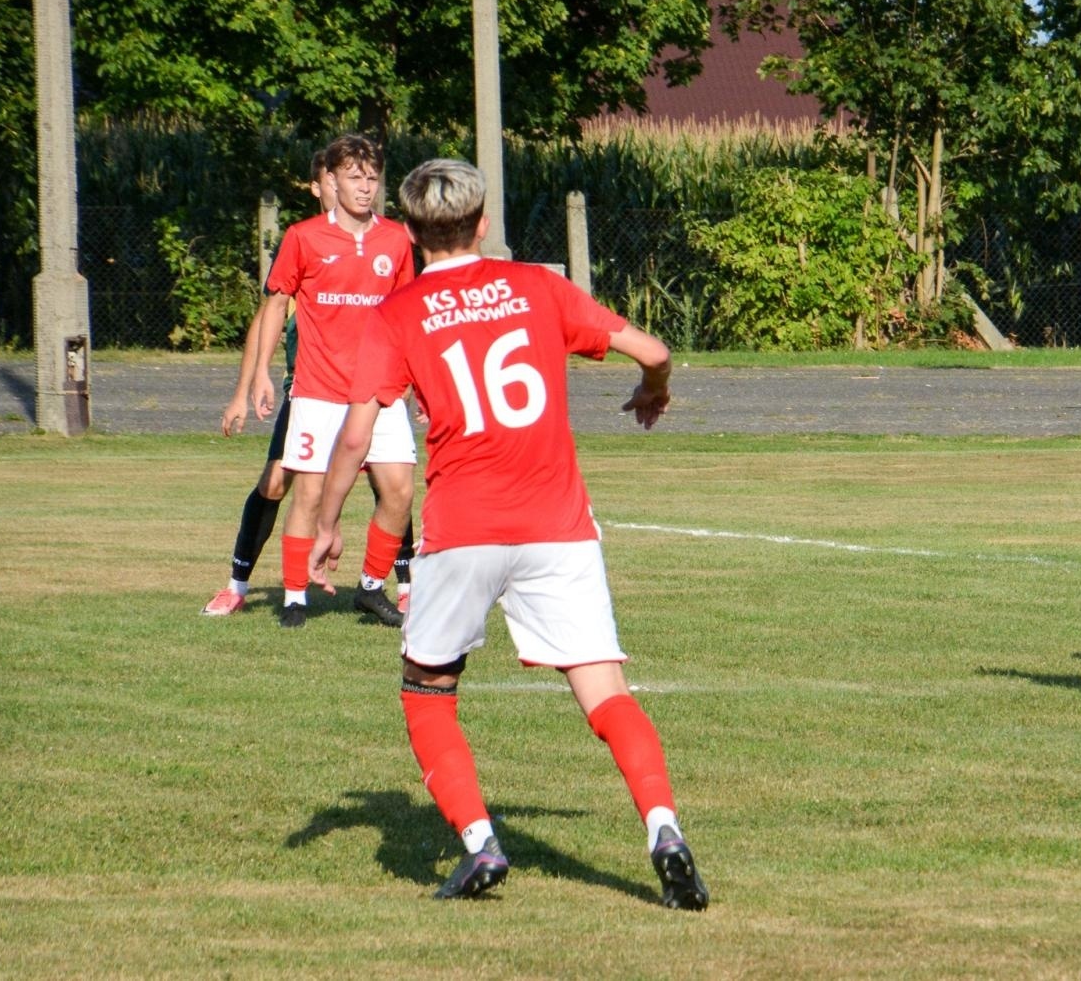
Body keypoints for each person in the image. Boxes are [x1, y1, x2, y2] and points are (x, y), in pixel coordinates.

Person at [307, 157, 708, 907]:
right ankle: (663, 829)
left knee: (428, 690)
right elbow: (654, 352)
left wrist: (327, 524)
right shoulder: (535, 285)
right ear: (482, 223)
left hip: (464, 529)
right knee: (605, 693)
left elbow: (358, 433)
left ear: (411, 235)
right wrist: (654, 391)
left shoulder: (397, 314)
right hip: (558, 527)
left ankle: (480, 844)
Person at [203, 151, 417, 617]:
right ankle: (242, 585)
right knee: (280, 484)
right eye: (346, 177)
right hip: (312, 389)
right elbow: (268, 316)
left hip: (373, 391)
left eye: (371, 178)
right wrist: (248, 386)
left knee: (394, 485)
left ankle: (399, 584)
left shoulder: (393, 240)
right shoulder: (302, 240)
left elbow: (408, 314)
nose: (361, 186)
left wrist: (415, 379)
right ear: (323, 185)